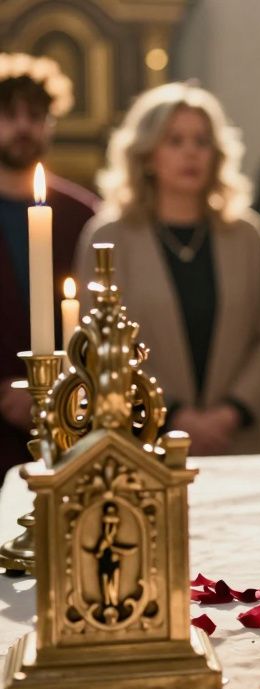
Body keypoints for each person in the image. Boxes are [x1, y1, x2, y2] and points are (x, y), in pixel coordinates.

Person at [76, 82, 260, 456]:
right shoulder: (109, 237)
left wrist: (229, 414)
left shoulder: (247, 235)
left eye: (201, 141)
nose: (191, 153)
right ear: (145, 155)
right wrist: (173, 414)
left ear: (217, 153)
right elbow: (100, 347)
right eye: (175, 141)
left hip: (237, 441)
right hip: (144, 443)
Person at [0, 54, 97, 473]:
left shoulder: (84, 214)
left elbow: (97, 313)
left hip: (70, 414)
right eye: (8, 114)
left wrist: (61, 386)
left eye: (35, 115)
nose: (23, 126)